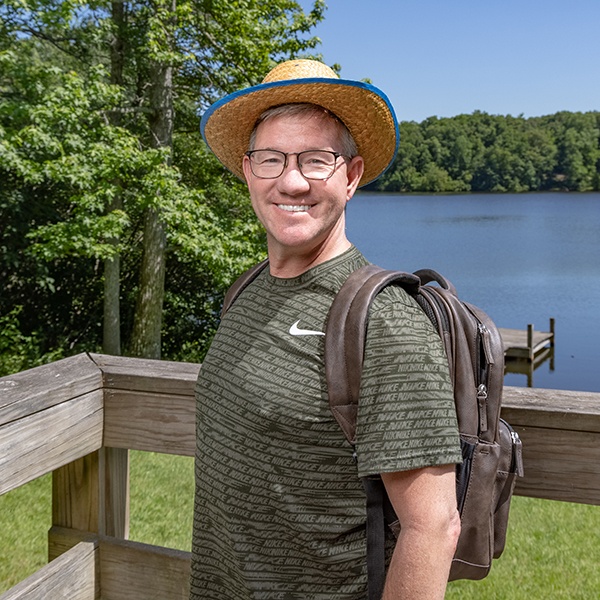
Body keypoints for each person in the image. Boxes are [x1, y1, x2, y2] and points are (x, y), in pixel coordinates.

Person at [190, 59, 463, 600]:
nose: (291, 181)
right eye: (271, 159)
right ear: (248, 171)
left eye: (317, 160)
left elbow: (434, 526)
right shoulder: (246, 292)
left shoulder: (384, 322)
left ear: (352, 175)